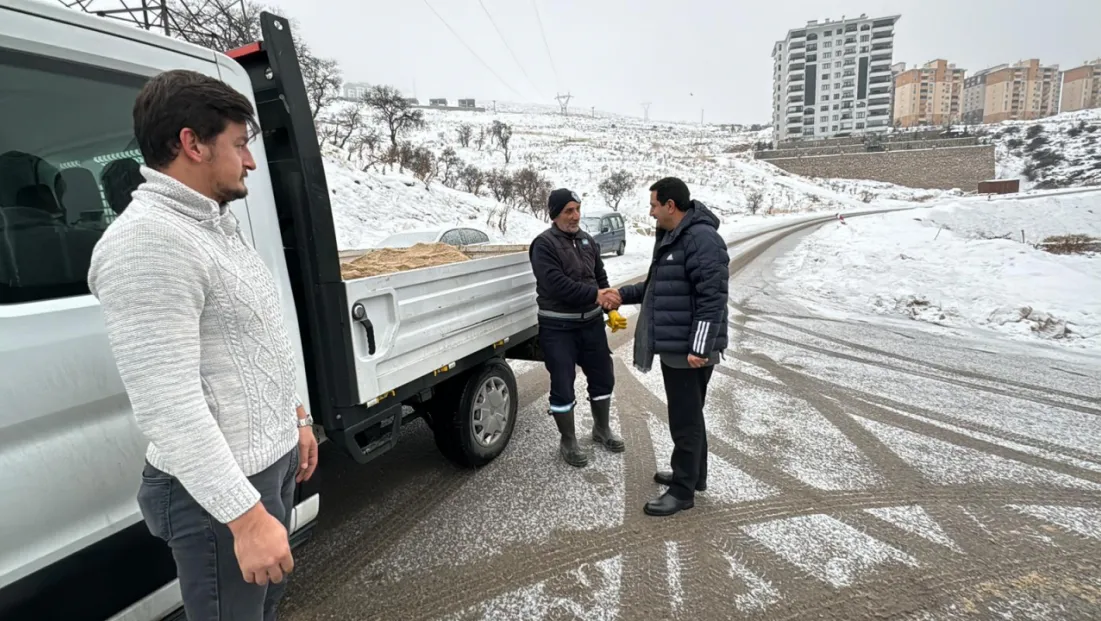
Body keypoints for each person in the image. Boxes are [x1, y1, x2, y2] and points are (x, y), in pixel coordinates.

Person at [87, 69, 319, 620]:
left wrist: (298, 419)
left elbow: (258, 336)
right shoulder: (147, 243)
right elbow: (167, 403)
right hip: (219, 491)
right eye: (239, 145)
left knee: (263, 607)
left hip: (269, 462)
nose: (251, 162)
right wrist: (244, 516)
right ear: (191, 143)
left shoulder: (212, 224)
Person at [616, 177, 729, 516]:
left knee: (684, 419)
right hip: (680, 345)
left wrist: (698, 347)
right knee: (691, 415)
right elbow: (656, 287)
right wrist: (619, 295)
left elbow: (713, 299)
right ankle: (694, 476)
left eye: (653, 205)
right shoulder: (676, 237)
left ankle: (682, 491)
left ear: (670, 205)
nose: (651, 213)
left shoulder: (701, 239)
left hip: (688, 349)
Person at [528, 188, 628, 467]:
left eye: (578, 209)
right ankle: (568, 440)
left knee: (604, 377)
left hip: (591, 324)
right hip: (558, 328)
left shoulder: (587, 241)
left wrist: (610, 304)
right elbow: (555, 284)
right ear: (555, 214)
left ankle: (601, 429)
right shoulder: (543, 244)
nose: (575, 216)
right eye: (568, 211)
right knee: (562, 384)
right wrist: (595, 295)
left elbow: (600, 276)